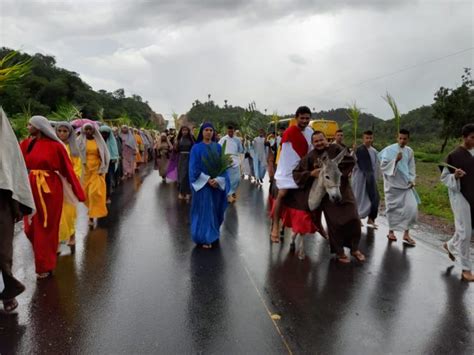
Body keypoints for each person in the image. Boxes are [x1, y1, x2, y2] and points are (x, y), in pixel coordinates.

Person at [20, 116, 85, 279]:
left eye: (30, 124)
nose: (28, 127)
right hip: (31, 187)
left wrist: (79, 192)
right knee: (30, 228)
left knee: (46, 227)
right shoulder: (27, 144)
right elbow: (16, 164)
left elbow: (68, 170)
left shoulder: (57, 146)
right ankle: (43, 258)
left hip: (50, 190)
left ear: (39, 127)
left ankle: (45, 265)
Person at [293, 131, 365, 263]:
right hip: (327, 196)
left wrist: (336, 173)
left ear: (326, 139)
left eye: (321, 140)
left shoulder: (336, 149)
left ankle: (355, 249)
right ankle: (340, 252)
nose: (319, 143)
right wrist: (310, 173)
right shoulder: (310, 156)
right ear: (312, 143)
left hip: (343, 189)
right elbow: (297, 173)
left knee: (354, 218)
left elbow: (350, 160)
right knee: (335, 223)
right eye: (316, 141)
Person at [0, 108, 35, 312]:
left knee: (2, 252)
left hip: (1, 200)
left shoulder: (6, 144)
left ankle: (8, 290)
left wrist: (17, 205)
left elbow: (11, 172)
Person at [270, 106, 313, 243]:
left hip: (304, 170)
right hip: (288, 172)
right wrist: (294, 174)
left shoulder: (311, 132)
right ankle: (275, 226)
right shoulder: (289, 132)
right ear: (296, 118)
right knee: (282, 194)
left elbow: (311, 152)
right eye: (302, 118)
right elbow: (288, 157)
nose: (305, 121)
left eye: (307, 118)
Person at [441, 123, 474, 282]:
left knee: (466, 230)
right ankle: (466, 269)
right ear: (464, 137)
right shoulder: (454, 155)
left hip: (473, 195)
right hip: (460, 195)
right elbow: (444, 178)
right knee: (465, 233)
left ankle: (450, 245)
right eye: (472, 137)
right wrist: (455, 176)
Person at [189, 123, 230, 248]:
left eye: (211, 130)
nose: (208, 132)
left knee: (214, 209)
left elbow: (223, 166)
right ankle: (204, 238)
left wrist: (217, 180)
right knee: (204, 210)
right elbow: (193, 168)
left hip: (216, 185)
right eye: (206, 130)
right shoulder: (196, 148)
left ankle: (213, 233)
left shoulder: (217, 147)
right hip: (202, 185)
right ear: (202, 132)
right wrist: (207, 180)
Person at [379, 129, 419, 245]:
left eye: (404, 139)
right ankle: (391, 231)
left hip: (406, 185)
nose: (402, 141)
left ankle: (406, 234)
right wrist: (395, 160)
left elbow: (412, 167)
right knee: (393, 209)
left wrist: (412, 180)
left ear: (408, 139)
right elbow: (383, 166)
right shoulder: (389, 150)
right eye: (400, 138)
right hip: (392, 185)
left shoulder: (409, 151)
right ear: (397, 138)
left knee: (412, 208)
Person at [55, 121, 83, 253]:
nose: (62, 133)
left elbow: (77, 167)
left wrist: (71, 179)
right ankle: (57, 242)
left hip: (68, 183)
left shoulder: (73, 148)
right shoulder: (53, 145)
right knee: (56, 213)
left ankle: (71, 235)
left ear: (70, 133)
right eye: (59, 131)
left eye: (65, 131)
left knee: (68, 212)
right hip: (54, 183)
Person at [78, 123, 110, 227]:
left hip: (97, 170)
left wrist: (103, 168)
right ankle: (91, 212)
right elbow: (74, 154)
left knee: (93, 193)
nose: (88, 131)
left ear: (93, 130)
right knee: (86, 194)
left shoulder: (99, 141)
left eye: (90, 129)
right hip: (85, 171)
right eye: (86, 129)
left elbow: (106, 155)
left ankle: (91, 217)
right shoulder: (79, 141)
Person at [351, 130, 380, 228]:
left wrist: (375, 179)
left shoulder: (374, 151)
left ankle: (371, 219)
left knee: (373, 198)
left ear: (373, 138)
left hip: (370, 179)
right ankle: (357, 218)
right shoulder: (359, 149)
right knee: (358, 198)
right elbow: (352, 163)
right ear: (363, 138)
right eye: (367, 138)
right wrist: (353, 153)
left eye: (370, 138)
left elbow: (376, 166)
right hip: (359, 178)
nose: (369, 140)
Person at [219, 125, 244, 203]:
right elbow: (218, 149)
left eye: (232, 131)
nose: (230, 133)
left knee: (237, 179)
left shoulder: (237, 140)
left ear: (234, 131)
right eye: (229, 131)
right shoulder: (223, 139)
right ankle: (229, 195)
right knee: (228, 179)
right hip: (226, 161)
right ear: (227, 131)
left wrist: (242, 144)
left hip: (235, 161)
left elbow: (241, 150)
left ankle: (231, 192)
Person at [99, 125, 119, 204]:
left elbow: (114, 152)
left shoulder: (112, 141)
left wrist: (114, 158)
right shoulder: (97, 141)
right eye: (102, 133)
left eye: (106, 133)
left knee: (108, 180)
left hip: (110, 163)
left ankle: (107, 196)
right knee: (100, 181)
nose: (104, 135)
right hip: (99, 164)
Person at [176, 126, 195, 200]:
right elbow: (176, 150)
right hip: (181, 159)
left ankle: (188, 193)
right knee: (182, 175)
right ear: (181, 131)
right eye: (183, 130)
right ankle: (181, 192)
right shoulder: (179, 139)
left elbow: (194, 148)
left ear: (188, 131)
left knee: (188, 175)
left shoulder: (191, 139)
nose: (184, 132)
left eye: (186, 130)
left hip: (189, 158)